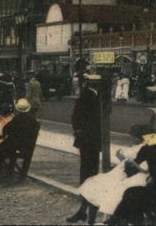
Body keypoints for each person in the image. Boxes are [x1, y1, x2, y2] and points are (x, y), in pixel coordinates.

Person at [70, 130, 156, 224]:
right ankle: (85, 215)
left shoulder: (144, 149)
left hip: (129, 175)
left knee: (97, 186)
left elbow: (143, 168)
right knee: (93, 184)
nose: (131, 139)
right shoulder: (138, 147)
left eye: (132, 137)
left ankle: (88, 216)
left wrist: (128, 161)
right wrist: (125, 160)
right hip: (121, 173)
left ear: (137, 138)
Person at [67, 74, 102, 223]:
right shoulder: (88, 96)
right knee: (89, 175)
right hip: (89, 141)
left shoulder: (92, 95)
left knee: (89, 174)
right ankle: (85, 209)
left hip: (90, 141)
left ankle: (83, 210)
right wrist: (81, 132)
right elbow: (76, 117)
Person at [0, 98, 40, 188]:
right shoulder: (34, 122)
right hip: (26, 149)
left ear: (18, 109)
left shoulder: (16, 119)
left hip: (12, 147)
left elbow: (5, 130)